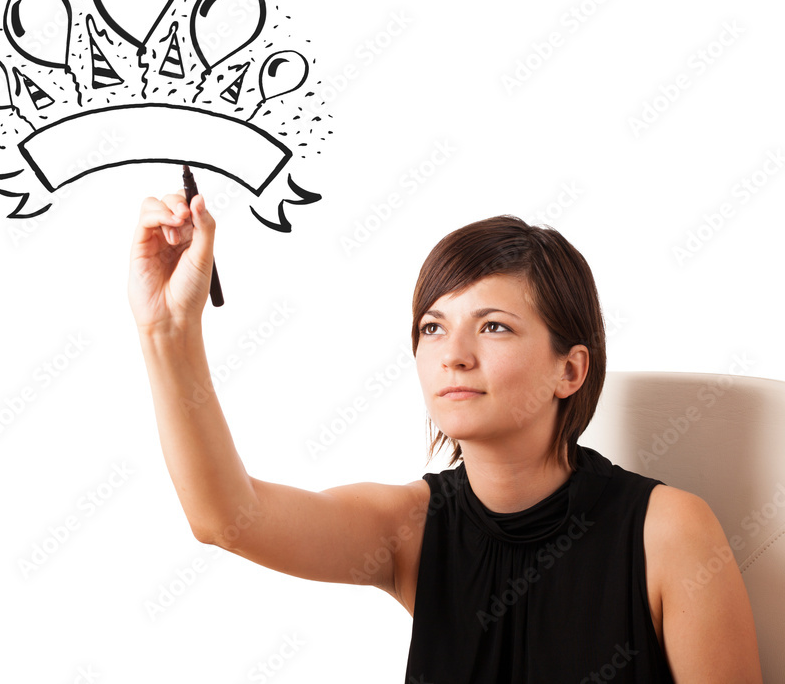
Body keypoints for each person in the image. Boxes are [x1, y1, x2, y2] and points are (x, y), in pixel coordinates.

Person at [128, 190, 763, 683]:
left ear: (570, 371)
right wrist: (168, 332)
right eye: (433, 327)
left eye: (493, 327)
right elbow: (226, 518)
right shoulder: (411, 528)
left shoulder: (669, 531)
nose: (452, 355)